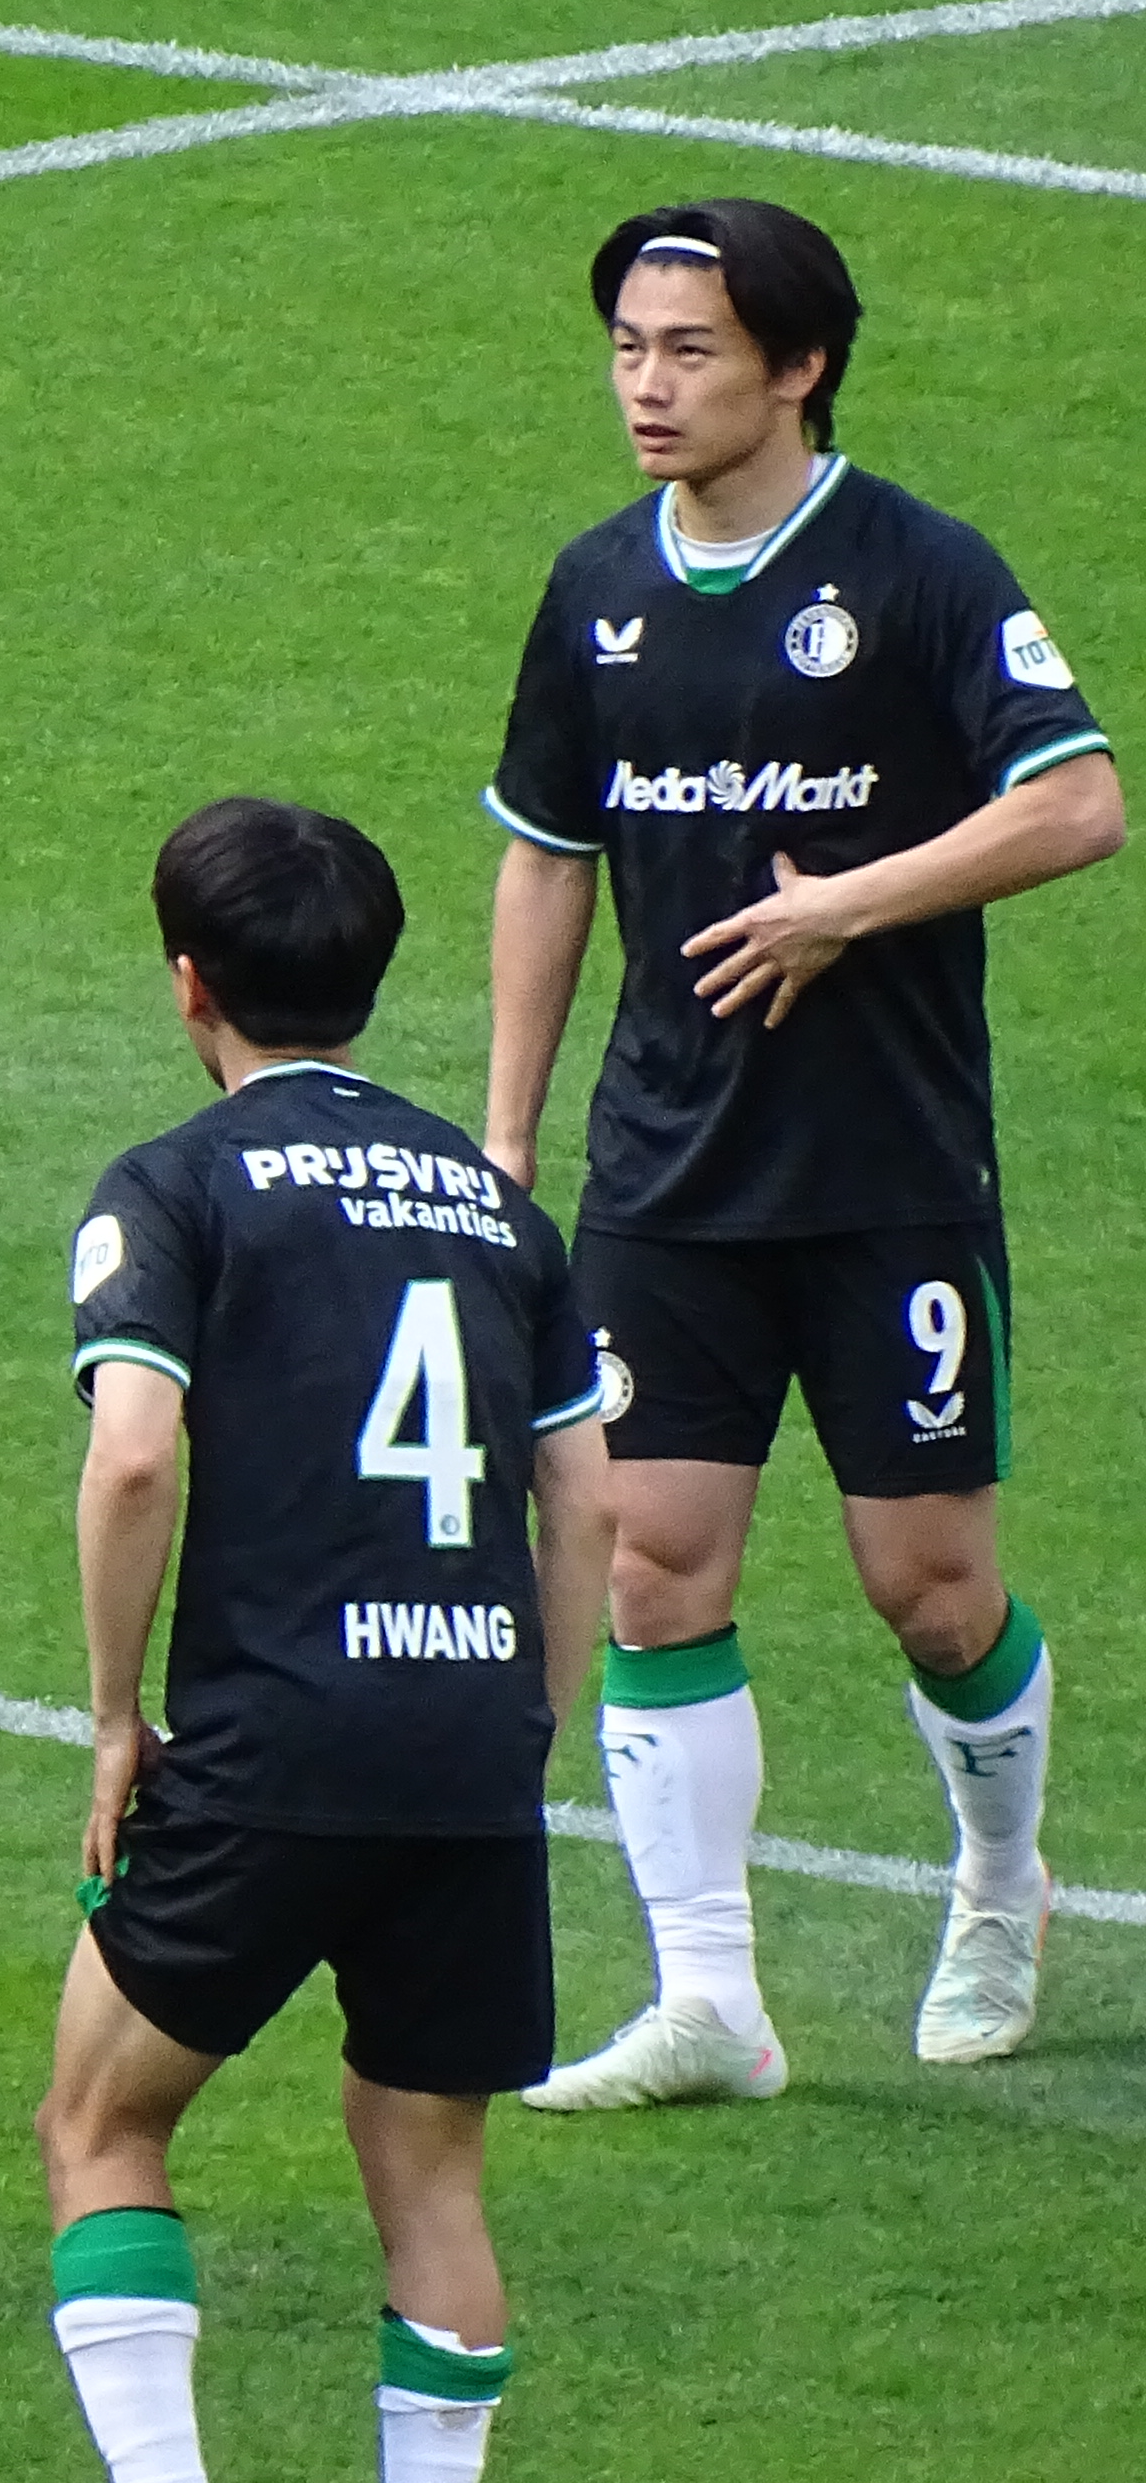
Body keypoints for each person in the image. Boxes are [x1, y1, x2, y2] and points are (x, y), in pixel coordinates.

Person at [482, 201, 1120, 2104]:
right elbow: (548, 856)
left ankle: (1000, 1880)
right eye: (627, 349)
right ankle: (712, 2003)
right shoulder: (597, 587)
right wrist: (508, 1136)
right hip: (666, 1176)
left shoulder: (918, 570)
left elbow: (1079, 804)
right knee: (653, 1566)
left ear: (800, 366)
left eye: (689, 351)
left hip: (888, 1172)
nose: (647, 386)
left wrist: (850, 902)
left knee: (930, 1589)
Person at [12, 797, 614, 2483]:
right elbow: (590, 1500)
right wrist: (531, 1727)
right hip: (469, 1745)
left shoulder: (176, 1186)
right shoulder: (497, 1208)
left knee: (101, 2124)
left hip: (273, 1740)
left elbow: (133, 1458)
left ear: (188, 982)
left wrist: (116, 1717)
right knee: (428, 2165)